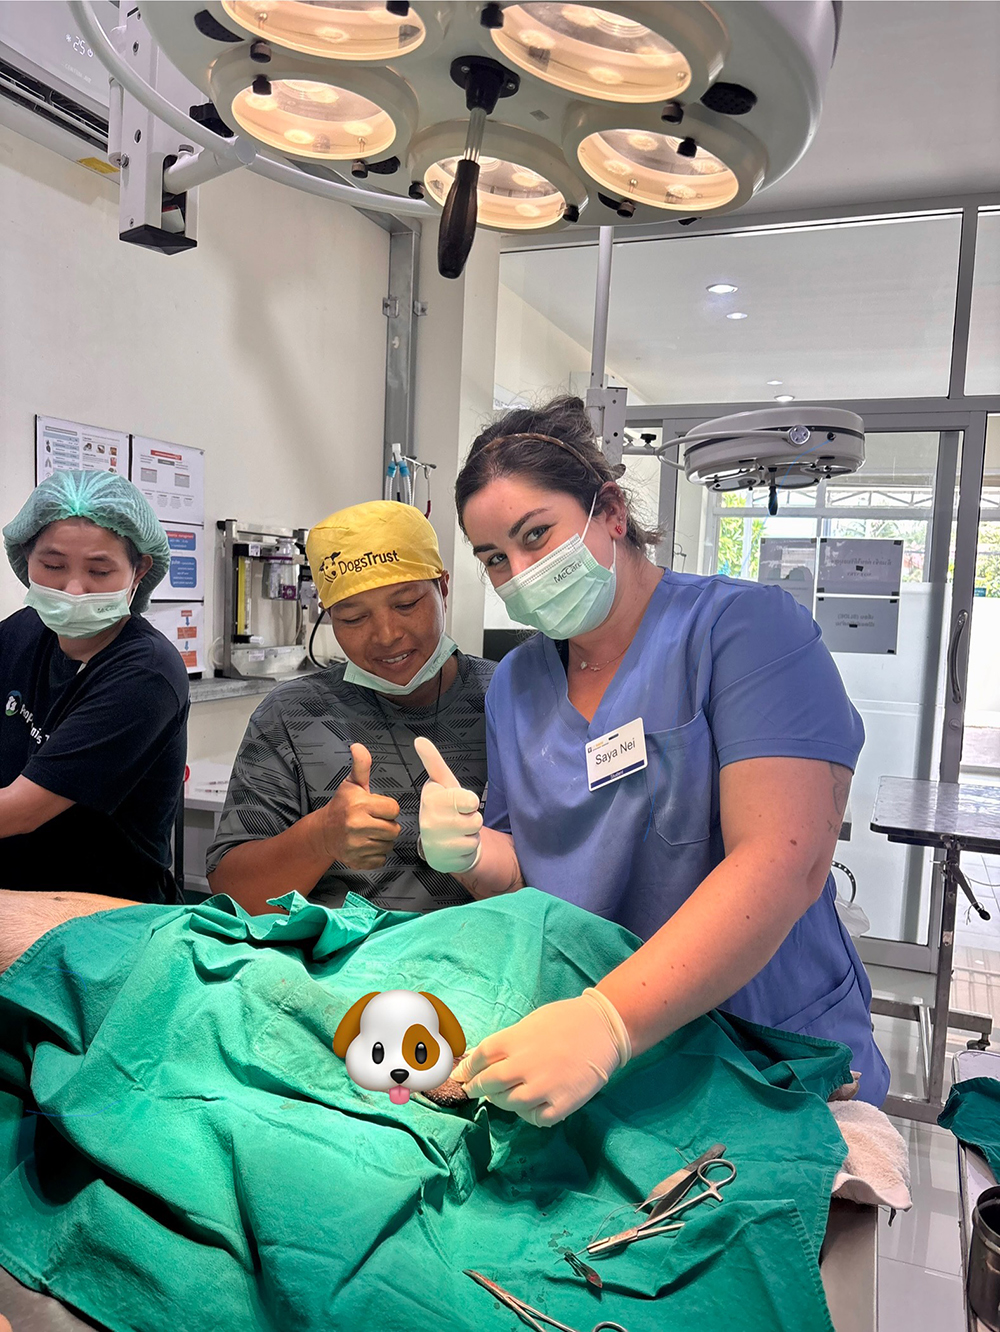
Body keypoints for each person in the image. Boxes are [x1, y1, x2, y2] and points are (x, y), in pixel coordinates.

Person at [414, 395, 890, 1123]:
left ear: (609, 511)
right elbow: (535, 877)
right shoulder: (516, 683)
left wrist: (608, 1022)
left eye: (536, 536)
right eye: (493, 560)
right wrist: (472, 852)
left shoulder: (747, 633)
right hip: (603, 1057)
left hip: (761, 1041)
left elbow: (783, 863)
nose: (519, 574)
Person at [207, 500, 494, 914]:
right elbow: (232, 894)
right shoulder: (293, 715)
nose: (386, 635)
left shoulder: (506, 699)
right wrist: (320, 837)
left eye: (406, 603)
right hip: (335, 968)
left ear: (443, 587)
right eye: (354, 617)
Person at [1, 469, 189, 902]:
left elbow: (23, 810)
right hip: (16, 894)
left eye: (99, 571)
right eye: (52, 566)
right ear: (25, 558)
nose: (72, 590)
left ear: (139, 570)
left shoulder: (146, 673)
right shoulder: (24, 631)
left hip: (106, 918)